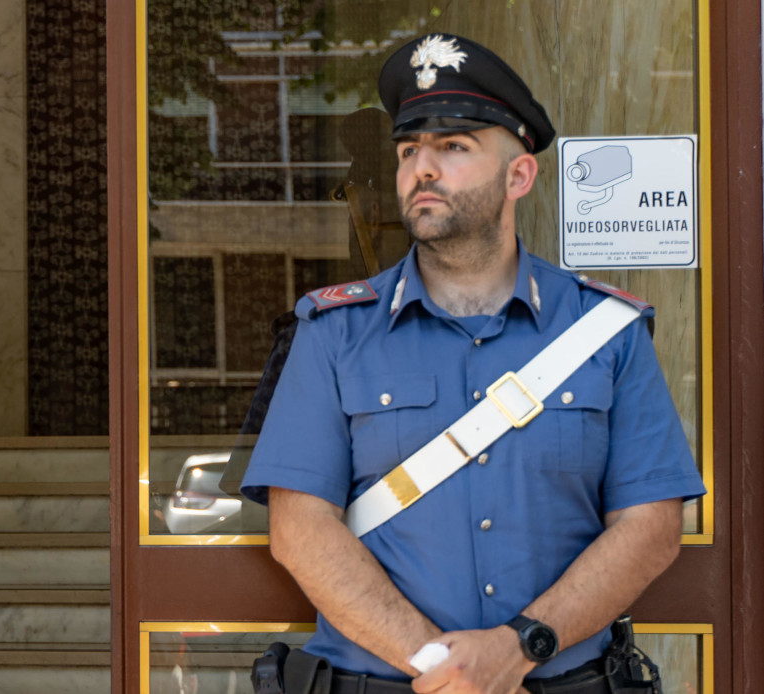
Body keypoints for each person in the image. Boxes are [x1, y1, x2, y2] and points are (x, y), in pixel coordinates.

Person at [241, 33, 706, 694]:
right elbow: (298, 528)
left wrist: (519, 647)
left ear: (518, 175)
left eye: (452, 148)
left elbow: (650, 525)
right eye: (408, 151)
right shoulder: (333, 331)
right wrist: (444, 668)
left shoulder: (605, 332)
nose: (420, 169)